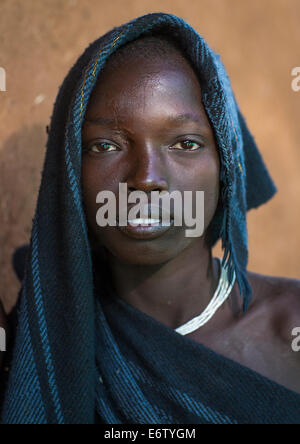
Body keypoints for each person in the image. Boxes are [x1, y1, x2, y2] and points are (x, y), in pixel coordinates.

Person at [0, 12, 299, 424]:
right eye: (105, 146)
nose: (145, 179)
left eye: (185, 143)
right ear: (68, 171)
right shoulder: (39, 337)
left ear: (226, 164)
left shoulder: (291, 334)